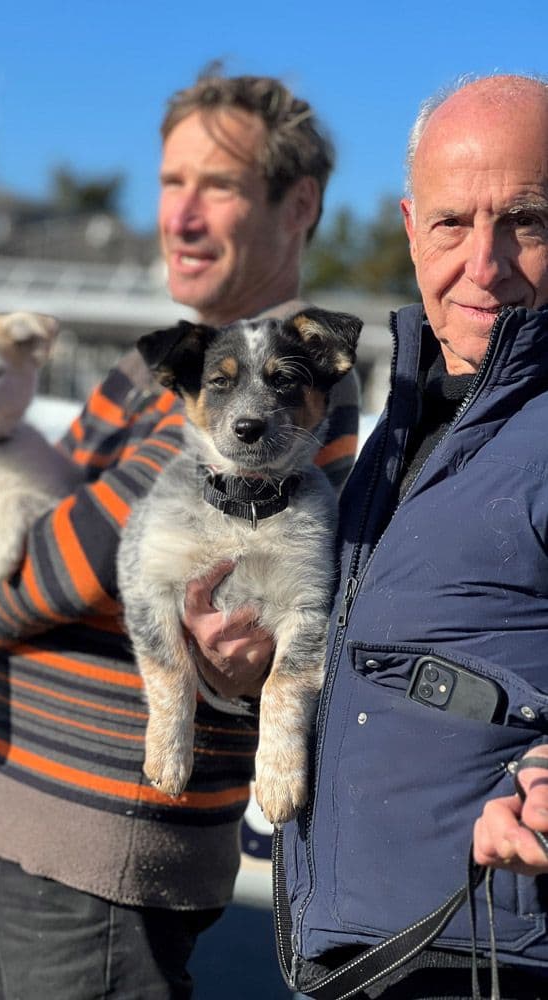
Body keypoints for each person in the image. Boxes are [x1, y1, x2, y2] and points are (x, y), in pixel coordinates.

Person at [0, 70, 359, 999]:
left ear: (297, 204)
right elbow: (11, 503)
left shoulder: (284, 405)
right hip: (18, 802)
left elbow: (61, 570)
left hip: (110, 842)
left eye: (215, 186)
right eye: (171, 182)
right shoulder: (152, 372)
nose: (178, 216)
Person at [274, 74, 548, 1000]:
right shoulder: (403, 418)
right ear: (408, 227)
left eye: (528, 221)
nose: (485, 262)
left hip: (489, 956)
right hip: (362, 948)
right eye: (451, 224)